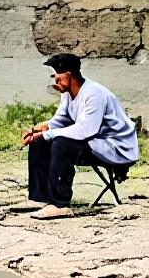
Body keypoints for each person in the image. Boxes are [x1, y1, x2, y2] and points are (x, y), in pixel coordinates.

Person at [17, 53, 139, 219]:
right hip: (95, 142)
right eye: (54, 77)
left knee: (60, 144)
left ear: (70, 75)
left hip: (115, 147)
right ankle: (40, 197)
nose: (56, 82)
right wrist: (40, 130)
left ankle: (60, 205)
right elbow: (60, 120)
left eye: (59, 78)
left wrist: (48, 134)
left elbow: (86, 130)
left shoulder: (94, 94)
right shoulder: (67, 93)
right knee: (40, 142)